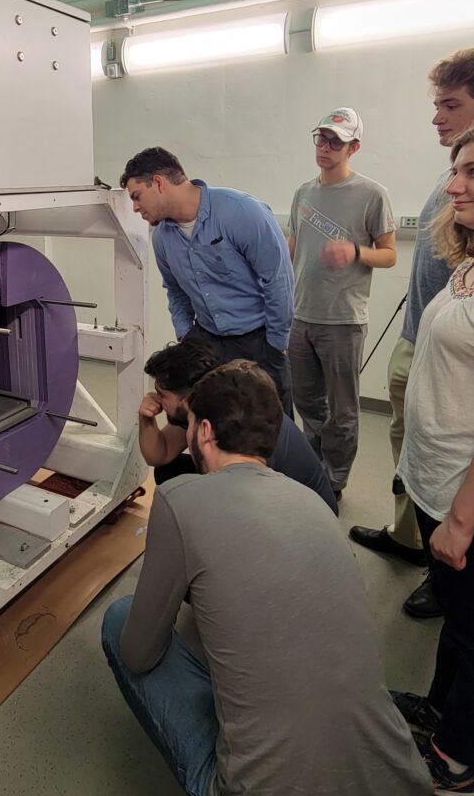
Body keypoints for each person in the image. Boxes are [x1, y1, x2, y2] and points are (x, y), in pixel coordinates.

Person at [102, 362, 429, 796]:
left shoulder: (180, 500)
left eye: (189, 421)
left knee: (121, 619)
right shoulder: (314, 506)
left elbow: (138, 654)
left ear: (206, 432)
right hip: (393, 793)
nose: (186, 429)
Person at [351, 49, 474, 618]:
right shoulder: (453, 169)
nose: (436, 117)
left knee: (447, 458)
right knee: (409, 448)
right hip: (418, 338)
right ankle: (410, 538)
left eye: (450, 104)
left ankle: (444, 561)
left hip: (452, 352)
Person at [390, 128, 474, 796]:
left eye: (472, 171)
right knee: (456, 616)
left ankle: (458, 765)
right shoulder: (467, 259)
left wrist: (463, 521)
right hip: (433, 475)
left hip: (462, 496)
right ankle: (440, 712)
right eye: (456, 170)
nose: (453, 185)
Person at [120, 147, 294, 414]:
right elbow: (175, 292)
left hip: (259, 343)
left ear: (158, 182)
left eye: (137, 196)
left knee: (270, 428)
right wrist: (187, 337)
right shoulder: (163, 238)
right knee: (211, 424)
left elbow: (278, 280)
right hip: (206, 340)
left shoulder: (242, 212)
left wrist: (276, 345)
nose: (135, 207)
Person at [287, 108, 396, 501]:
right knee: (307, 403)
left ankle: (335, 480)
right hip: (301, 316)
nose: (325, 147)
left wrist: (354, 251)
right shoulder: (303, 193)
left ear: (354, 147)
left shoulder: (371, 194)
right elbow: (293, 250)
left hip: (343, 320)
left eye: (336, 141)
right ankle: (313, 467)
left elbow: (389, 255)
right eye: (321, 138)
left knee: (343, 409)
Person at [139, 339, 337, 513]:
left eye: (162, 395)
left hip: (304, 512)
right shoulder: (208, 405)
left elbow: (244, 497)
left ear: (186, 399)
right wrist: (146, 418)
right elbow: (159, 455)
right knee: (169, 472)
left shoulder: (238, 424)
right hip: (271, 491)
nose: (156, 400)